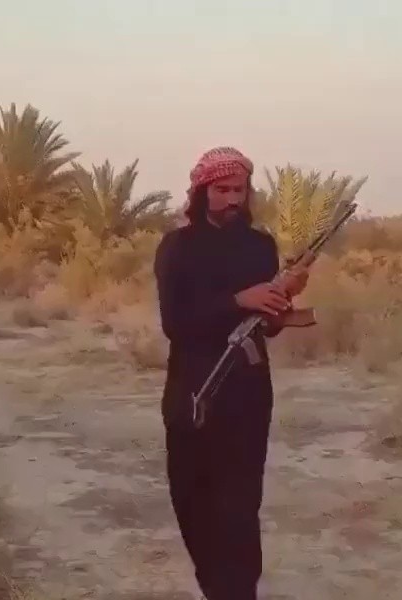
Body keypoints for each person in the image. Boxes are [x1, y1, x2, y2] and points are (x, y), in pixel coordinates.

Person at [153, 147, 308, 600]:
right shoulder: (177, 247)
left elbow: (267, 328)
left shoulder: (260, 247)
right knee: (193, 502)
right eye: (222, 190)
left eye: (239, 189)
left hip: (248, 395)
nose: (233, 199)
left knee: (240, 509)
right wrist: (239, 300)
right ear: (202, 192)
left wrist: (282, 299)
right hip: (192, 392)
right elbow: (175, 324)